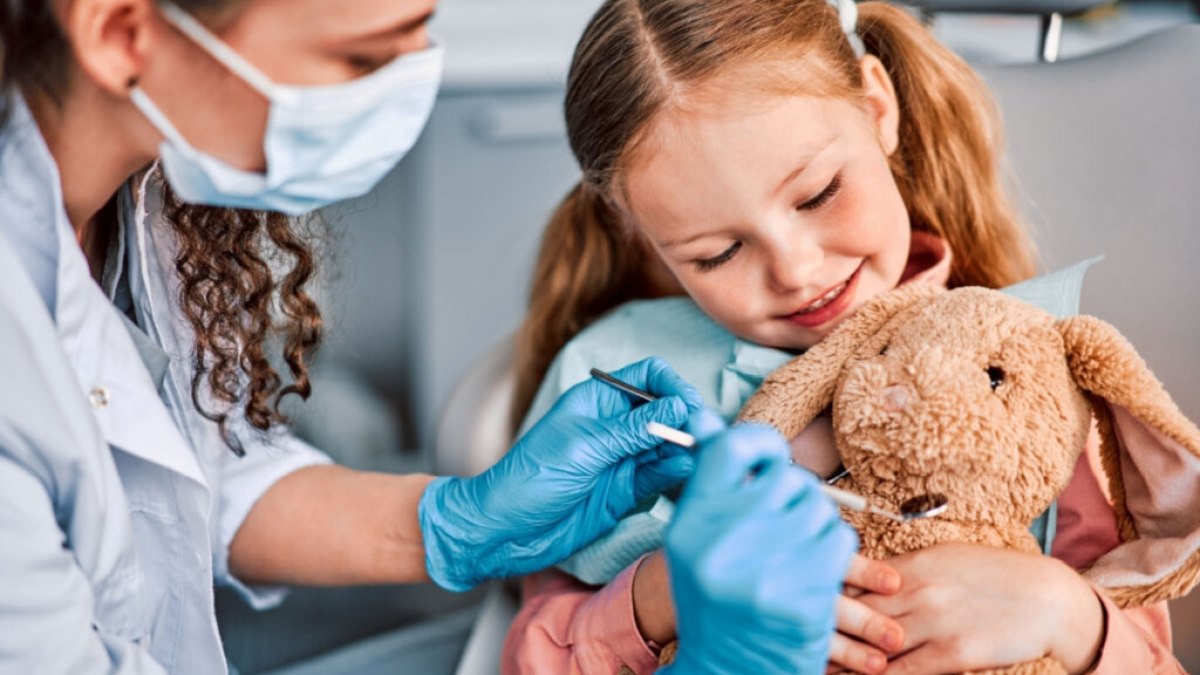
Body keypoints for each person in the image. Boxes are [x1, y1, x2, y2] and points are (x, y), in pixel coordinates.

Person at [0, 0, 859, 673]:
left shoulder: (135, 201)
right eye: (364, 58)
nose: (404, 87)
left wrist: (456, 520)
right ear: (120, 34)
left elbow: (199, 481)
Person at [503, 0, 1188, 673]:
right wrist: (661, 596)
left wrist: (1065, 612)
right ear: (642, 235)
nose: (797, 271)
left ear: (877, 108)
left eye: (819, 194)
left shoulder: (1026, 374)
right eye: (717, 253)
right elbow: (525, 651)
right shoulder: (614, 390)